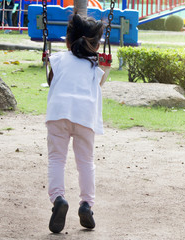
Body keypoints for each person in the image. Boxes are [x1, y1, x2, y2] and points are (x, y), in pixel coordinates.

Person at [46, 13, 110, 233]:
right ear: (95, 45)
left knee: (57, 158)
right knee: (85, 162)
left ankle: (58, 200)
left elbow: (50, 79)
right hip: (85, 117)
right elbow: (100, 83)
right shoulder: (94, 67)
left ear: (67, 40)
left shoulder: (59, 59)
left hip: (58, 114)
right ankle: (86, 204)